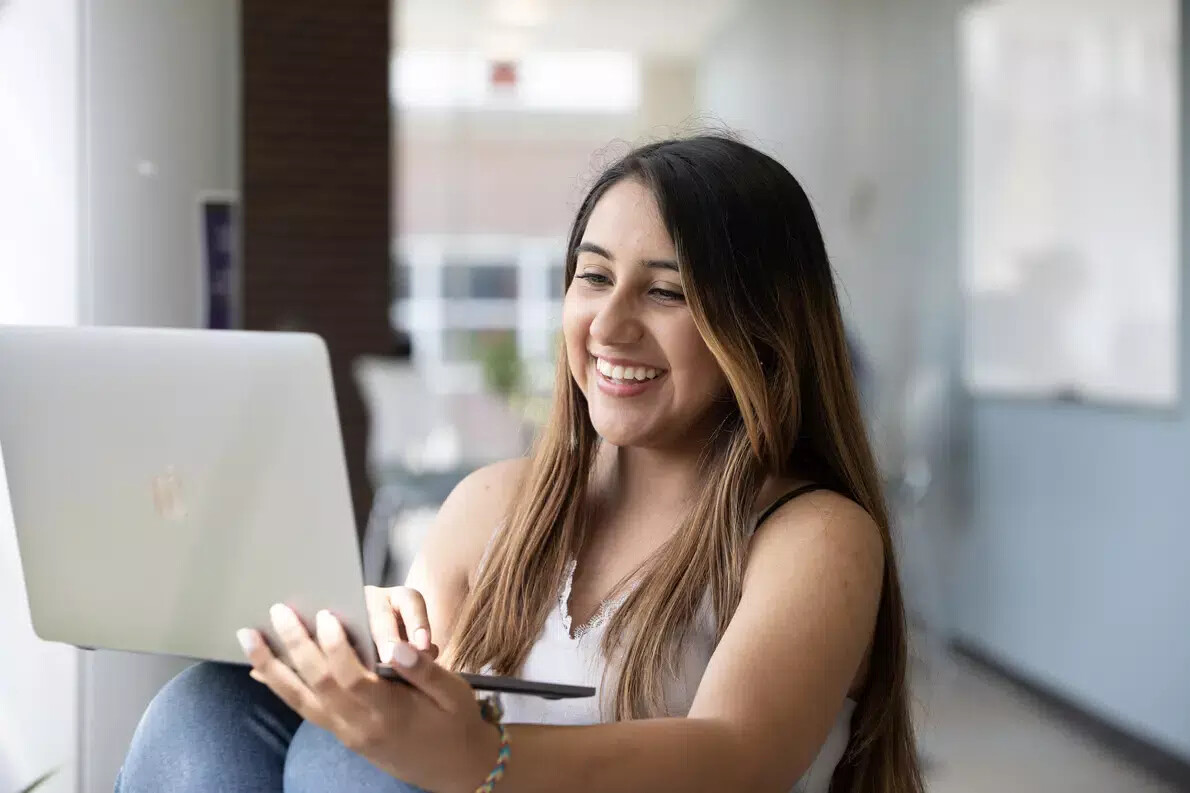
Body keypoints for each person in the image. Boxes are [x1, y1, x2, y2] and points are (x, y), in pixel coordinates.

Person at [115, 135, 924, 793]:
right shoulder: (492, 505)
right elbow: (408, 699)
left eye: (666, 293)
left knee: (350, 764)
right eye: (594, 277)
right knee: (206, 712)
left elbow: (735, 757)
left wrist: (476, 759)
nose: (610, 324)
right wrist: (362, 645)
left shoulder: (813, 533)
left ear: (761, 328)